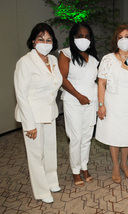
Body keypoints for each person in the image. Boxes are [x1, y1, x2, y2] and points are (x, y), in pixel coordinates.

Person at [14, 23, 62, 203]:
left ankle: (51, 181)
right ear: (33, 41)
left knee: (50, 150)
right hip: (32, 115)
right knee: (35, 154)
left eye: (49, 40)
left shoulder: (53, 60)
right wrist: (29, 124)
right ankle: (41, 191)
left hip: (49, 112)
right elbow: (21, 95)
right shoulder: (25, 62)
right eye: (41, 39)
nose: (45, 42)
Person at [95, 24, 128, 184]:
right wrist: (101, 104)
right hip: (112, 103)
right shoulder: (108, 59)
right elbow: (101, 83)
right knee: (114, 135)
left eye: (127, 36)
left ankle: (124, 164)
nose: (124, 40)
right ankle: (116, 166)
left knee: (127, 136)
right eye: (120, 37)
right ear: (115, 40)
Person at [58, 23, 99, 186]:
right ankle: (75, 171)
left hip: (91, 102)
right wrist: (78, 96)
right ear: (73, 37)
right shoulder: (65, 53)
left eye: (87, 36)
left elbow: (95, 81)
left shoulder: (94, 58)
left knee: (87, 137)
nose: (84, 39)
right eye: (80, 36)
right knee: (75, 137)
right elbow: (62, 78)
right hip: (73, 101)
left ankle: (84, 167)